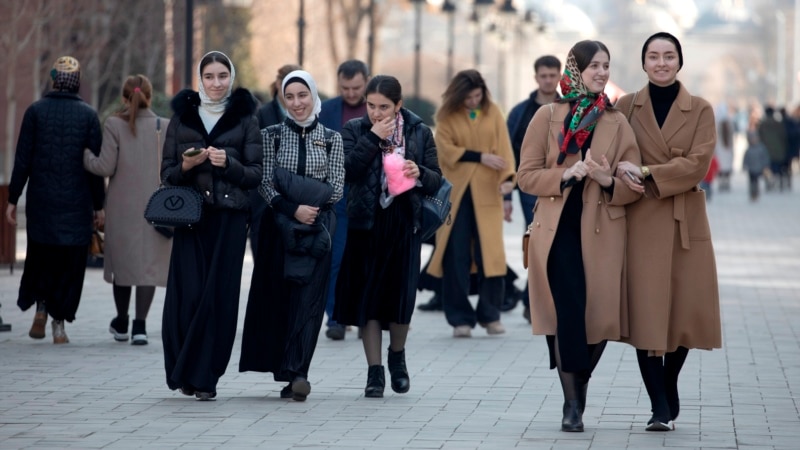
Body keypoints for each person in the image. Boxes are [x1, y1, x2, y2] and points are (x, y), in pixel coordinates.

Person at [517, 40, 643, 432]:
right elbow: (525, 176)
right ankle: (573, 405)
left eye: (606, 65)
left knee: (599, 317)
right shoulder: (547, 116)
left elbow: (634, 184)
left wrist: (608, 179)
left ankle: (579, 382)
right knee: (567, 313)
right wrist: (566, 174)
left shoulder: (617, 121)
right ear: (576, 69)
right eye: (594, 66)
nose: (602, 72)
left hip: (604, 230)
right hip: (557, 232)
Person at [615, 32, 721, 431]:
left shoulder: (701, 109)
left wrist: (646, 170)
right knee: (645, 311)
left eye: (669, 56)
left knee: (685, 311)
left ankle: (669, 380)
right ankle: (659, 405)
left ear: (680, 61)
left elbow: (697, 164)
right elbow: (615, 159)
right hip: (640, 219)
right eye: (654, 56)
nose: (661, 63)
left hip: (684, 219)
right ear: (643, 62)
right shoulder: (625, 106)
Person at [160, 51, 262, 401]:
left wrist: (227, 163)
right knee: (187, 297)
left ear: (230, 77)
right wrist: (187, 168)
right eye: (209, 76)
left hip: (230, 220)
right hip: (190, 218)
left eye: (222, 76)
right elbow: (167, 174)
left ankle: (206, 377)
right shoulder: (182, 118)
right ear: (200, 79)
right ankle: (185, 369)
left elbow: (255, 174)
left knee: (219, 299)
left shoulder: (247, 117)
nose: (216, 83)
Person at [239, 70, 345, 402]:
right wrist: (292, 207)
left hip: (318, 229)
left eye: (303, 95)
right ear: (283, 100)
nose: (297, 103)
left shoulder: (331, 138)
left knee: (309, 302)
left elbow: (337, 188)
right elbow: (266, 183)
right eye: (290, 97)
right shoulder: (270, 135)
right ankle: (283, 369)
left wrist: (308, 205)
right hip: (278, 229)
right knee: (280, 299)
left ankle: (300, 372)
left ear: (314, 96)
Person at [334, 75, 442, 398]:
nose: (377, 113)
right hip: (365, 224)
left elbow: (437, 179)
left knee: (400, 299)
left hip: (403, 223)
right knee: (368, 301)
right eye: (371, 106)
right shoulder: (355, 130)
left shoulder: (419, 132)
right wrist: (371, 137)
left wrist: (419, 172)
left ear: (399, 105)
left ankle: (397, 355)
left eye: (384, 107)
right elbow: (346, 170)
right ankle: (374, 372)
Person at [5, 56, 105, 344]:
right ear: (77, 82)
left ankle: (41, 307)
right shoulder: (88, 115)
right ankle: (59, 325)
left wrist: (13, 199)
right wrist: (99, 206)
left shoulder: (35, 111)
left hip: (42, 203)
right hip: (76, 205)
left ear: (54, 79)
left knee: (42, 259)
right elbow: (94, 167)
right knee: (69, 266)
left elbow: (22, 159)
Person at [426, 69, 515, 338]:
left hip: (488, 194)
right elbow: (445, 152)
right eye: (468, 97)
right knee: (456, 256)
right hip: (456, 195)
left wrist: (508, 180)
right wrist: (479, 157)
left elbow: (505, 151)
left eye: (477, 96)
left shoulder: (494, 113)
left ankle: (491, 316)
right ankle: (459, 319)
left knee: (492, 256)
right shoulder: (446, 117)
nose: (473, 101)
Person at [83, 74, 172, 346]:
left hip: (121, 207)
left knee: (123, 266)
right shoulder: (164, 125)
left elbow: (104, 167)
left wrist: (85, 154)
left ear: (124, 98)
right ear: (150, 94)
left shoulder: (114, 125)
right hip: (156, 207)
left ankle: (121, 321)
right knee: (147, 267)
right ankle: (141, 326)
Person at [505, 54, 562, 321]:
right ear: (536, 77)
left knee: (557, 243)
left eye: (553, 75)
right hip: (530, 187)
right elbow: (508, 152)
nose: (548, 80)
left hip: (563, 184)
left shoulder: (570, 109)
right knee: (538, 241)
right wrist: (508, 189)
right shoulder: (521, 112)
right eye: (544, 75)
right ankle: (533, 301)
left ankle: (543, 300)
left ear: (560, 76)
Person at [318, 59, 370, 341]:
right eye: (345, 87)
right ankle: (336, 318)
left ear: (367, 82)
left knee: (366, 261)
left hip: (369, 197)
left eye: (356, 87)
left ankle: (364, 317)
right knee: (335, 259)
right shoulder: (327, 111)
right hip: (336, 196)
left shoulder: (378, 108)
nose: (351, 93)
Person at [250, 64, 302, 256]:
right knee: (264, 253)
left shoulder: (307, 113)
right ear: (278, 84)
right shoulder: (262, 114)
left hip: (296, 194)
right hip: (265, 195)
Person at [759, 106, 788, 192]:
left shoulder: (763, 124)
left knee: (768, 168)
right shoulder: (778, 123)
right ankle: (777, 183)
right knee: (778, 169)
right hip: (778, 150)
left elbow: (760, 137)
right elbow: (783, 137)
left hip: (766, 150)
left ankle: (770, 183)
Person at [742, 130, 770, 201]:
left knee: (756, 182)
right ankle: (752, 193)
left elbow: (765, 157)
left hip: (758, 168)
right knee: (751, 182)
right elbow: (745, 158)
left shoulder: (761, 148)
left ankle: (756, 193)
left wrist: (765, 165)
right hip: (751, 169)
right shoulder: (749, 149)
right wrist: (744, 165)